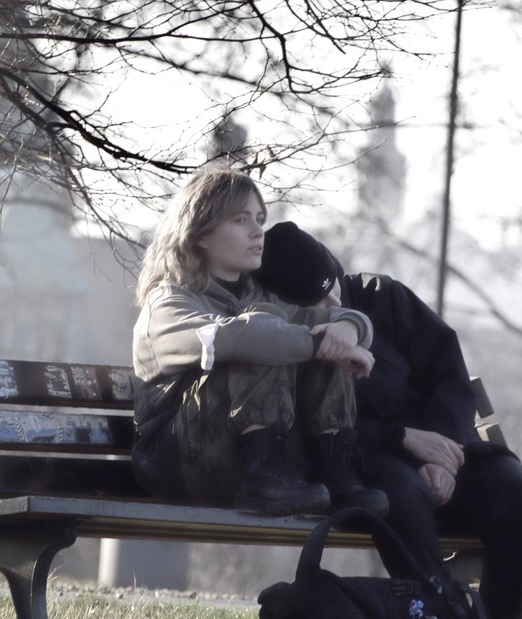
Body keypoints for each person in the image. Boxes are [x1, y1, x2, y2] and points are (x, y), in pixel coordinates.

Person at [255, 221, 522, 619]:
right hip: (372, 462)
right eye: (320, 303)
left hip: (454, 449)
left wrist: (442, 455)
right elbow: (311, 426)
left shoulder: (385, 297)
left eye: (335, 289)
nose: (335, 304)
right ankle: (440, 611)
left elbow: (447, 373)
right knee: (398, 499)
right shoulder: (289, 335)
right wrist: (398, 437)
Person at [131, 169, 388, 516]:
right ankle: (265, 474)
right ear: (200, 233)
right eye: (240, 220)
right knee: (263, 332)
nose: (257, 232)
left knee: (299, 334)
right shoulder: (167, 304)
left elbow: (326, 323)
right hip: (180, 464)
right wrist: (318, 344)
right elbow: (241, 336)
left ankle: (336, 473)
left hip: (254, 463)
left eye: (260, 219)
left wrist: (349, 329)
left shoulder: (261, 296)